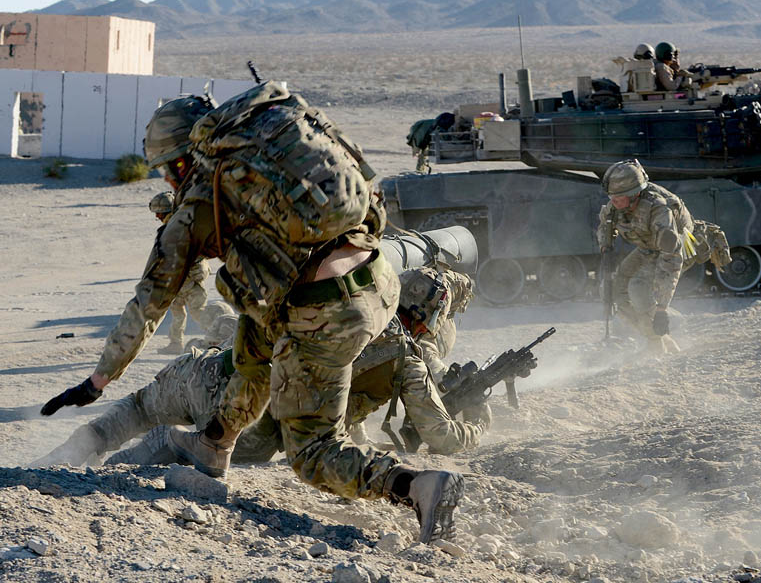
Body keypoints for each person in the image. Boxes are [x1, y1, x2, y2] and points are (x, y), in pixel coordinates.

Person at [40, 83, 464, 544]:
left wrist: (97, 381)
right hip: (379, 278)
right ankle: (215, 442)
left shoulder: (199, 206)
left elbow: (149, 302)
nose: (168, 182)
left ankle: (415, 486)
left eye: (167, 171)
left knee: (313, 454)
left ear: (181, 160)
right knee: (254, 343)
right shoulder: (269, 163)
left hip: (328, 314)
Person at [31, 267, 488, 467]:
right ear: (428, 319)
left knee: (139, 407)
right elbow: (442, 437)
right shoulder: (409, 355)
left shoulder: (336, 309)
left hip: (205, 370)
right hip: (250, 424)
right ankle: (119, 466)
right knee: (160, 453)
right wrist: (478, 427)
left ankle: (58, 461)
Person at [597, 160, 729, 354]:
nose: (612, 201)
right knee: (611, 288)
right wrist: (605, 245)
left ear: (635, 194)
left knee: (638, 287)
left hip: (678, 247)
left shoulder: (659, 210)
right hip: (649, 247)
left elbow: (671, 259)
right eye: (611, 196)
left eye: (617, 197)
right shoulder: (616, 205)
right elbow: (604, 224)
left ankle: (656, 341)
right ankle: (657, 337)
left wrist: (661, 309)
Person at [149, 191, 233, 354]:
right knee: (178, 311)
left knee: (197, 312)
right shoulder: (176, 224)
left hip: (188, 277)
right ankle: (175, 343)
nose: (157, 216)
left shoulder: (180, 226)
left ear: (167, 211)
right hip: (181, 278)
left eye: (159, 213)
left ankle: (222, 330)